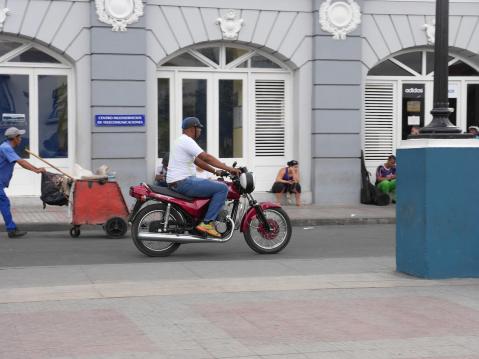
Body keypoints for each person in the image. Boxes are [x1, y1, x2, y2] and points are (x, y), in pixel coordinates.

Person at [167, 117, 240, 237]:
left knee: (211, 185)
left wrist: (216, 171)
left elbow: (198, 161)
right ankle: (207, 223)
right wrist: (229, 169)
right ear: (192, 129)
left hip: (178, 181)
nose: (200, 131)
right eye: (199, 128)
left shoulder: (180, 141)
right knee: (222, 188)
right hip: (183, 181)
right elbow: (206, 157)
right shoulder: (187, 141)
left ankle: (200, 220)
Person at [1, 127, 46, 238]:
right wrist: (36, 170)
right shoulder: (6, 148)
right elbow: (21, 162)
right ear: (14, 138)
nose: (21, 139)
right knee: (4, 202)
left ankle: (12, 228)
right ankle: (11, 229)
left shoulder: (6, 147)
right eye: (19, 136)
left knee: (3, 203)